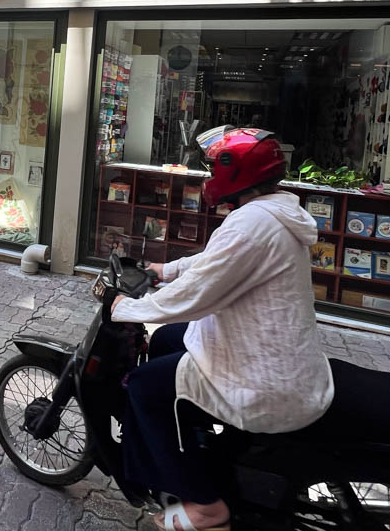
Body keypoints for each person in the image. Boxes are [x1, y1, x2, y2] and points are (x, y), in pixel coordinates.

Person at [110, 126, 334, 531]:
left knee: (143, 387)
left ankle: (206, 504)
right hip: (267, 347)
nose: (211, 177)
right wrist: (166, 269)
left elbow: (199, 295)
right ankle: (194, 443)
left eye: (215, 169)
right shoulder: (270, 213)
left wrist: (128, 307)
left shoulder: (251, 224)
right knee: (166, 340)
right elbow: (216, 262)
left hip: (260, 373)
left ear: (236, 172)